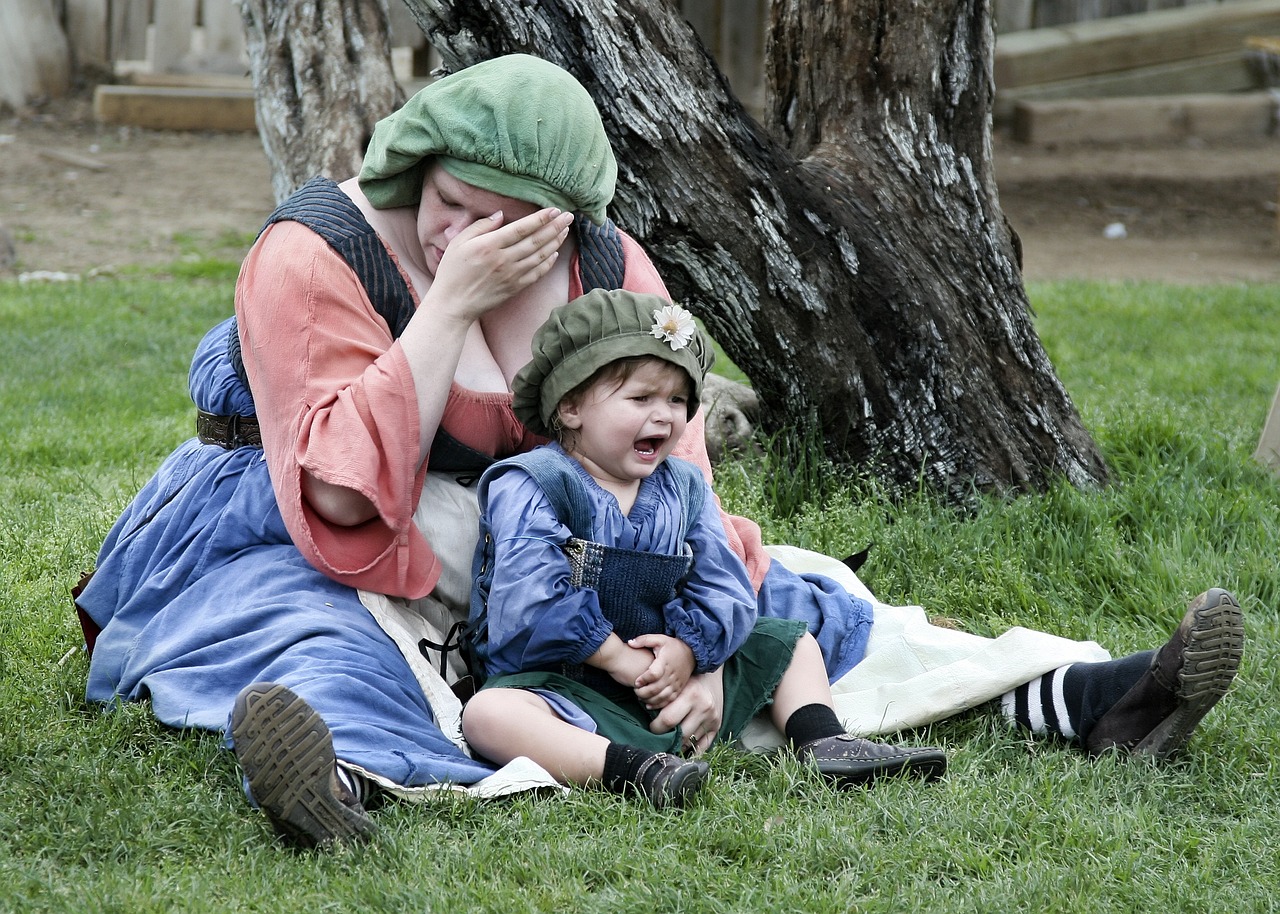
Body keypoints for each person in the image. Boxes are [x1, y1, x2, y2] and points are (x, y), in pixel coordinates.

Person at [72, 53, 1244, 849]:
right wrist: (445, 307)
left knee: (795, 604)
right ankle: (327, 785)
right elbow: (334, 486)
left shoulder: (605, 267)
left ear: (568, 219)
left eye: (506, 222)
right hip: (333, 536)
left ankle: (1093, 694)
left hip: (557, 531)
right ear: (415, 160)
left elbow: (672, 458)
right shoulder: (315, 255)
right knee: (313, 640)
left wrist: (687, 635)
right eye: (450, 199)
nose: (465, 235)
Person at [460, 289, 947, 806]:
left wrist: (692, 654)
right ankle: (632, 770)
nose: (664, 416)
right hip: (564, 684)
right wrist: (619, 660)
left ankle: (824, 741)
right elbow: (529, 598)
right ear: (573, 406)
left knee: (790, 642)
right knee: (489, 717)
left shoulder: (684, 487)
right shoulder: (534, 483)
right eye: (641, 398)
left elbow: (725, 584)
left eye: (676, 400)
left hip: (670, 682)